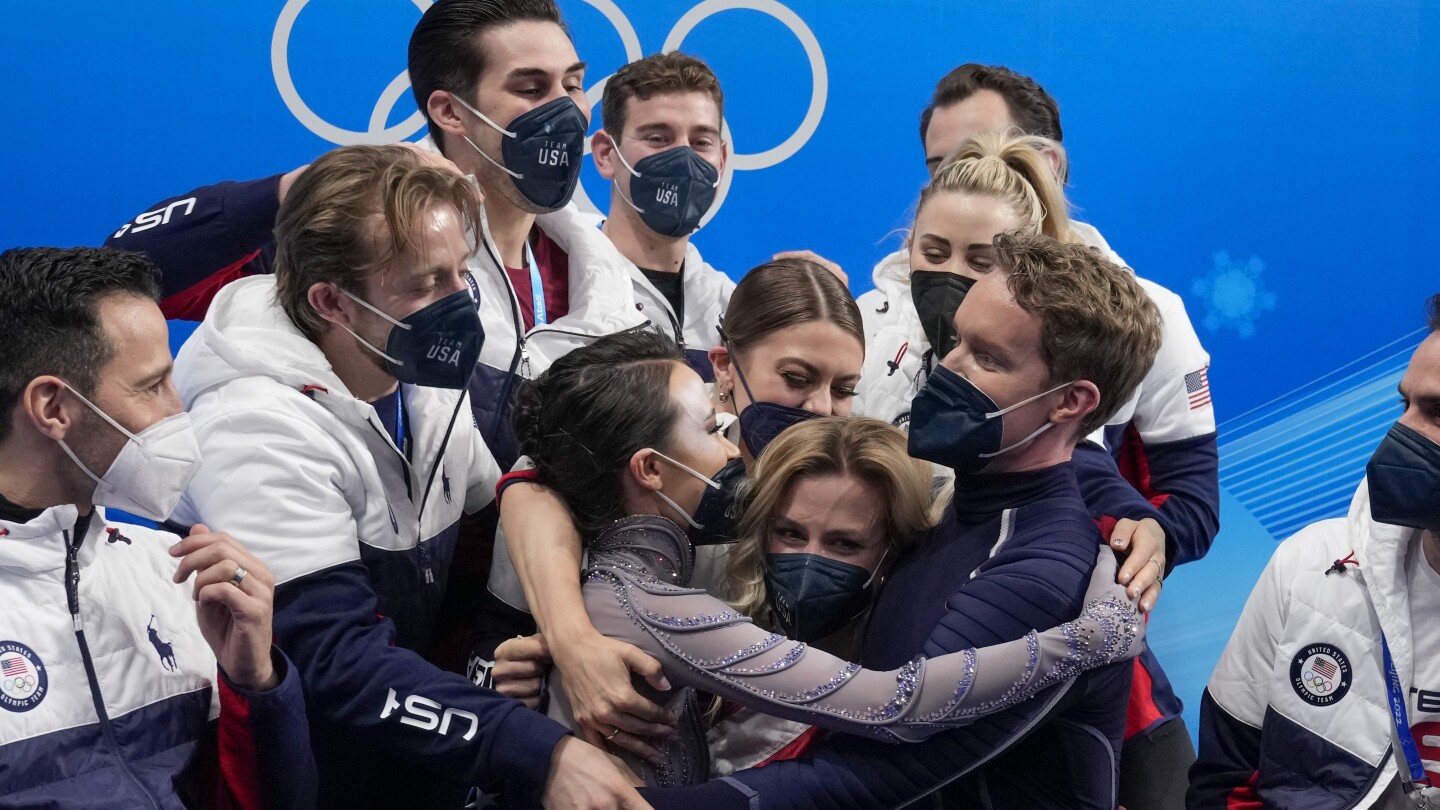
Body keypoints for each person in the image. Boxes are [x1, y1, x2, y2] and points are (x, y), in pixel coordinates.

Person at [167, 144, 646, 809]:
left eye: (460, 273)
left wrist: (519, 644)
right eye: (426, 285)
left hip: (407, 757)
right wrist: (540, 749)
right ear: (331, 300)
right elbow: (338, 665)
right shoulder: (253, 422)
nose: (461, 304)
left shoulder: (418, 366)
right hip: (301, 772)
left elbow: (505, 514)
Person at [642, 231, 1165, 809]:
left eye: (987, 358)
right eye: (957, 341)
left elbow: (864, 775)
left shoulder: (1041, 572)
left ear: (1071, 403)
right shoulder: (943, 506)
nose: (950, 368)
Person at [508, 329, 1143, 788]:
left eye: (845, 544)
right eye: (712, 429)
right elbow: (895, 703)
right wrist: (1087, 640)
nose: (735, 451)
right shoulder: (645, 603)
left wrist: (1131, 514)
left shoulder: (623, 585)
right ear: (648, 469)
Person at [859, 63, 1220, 805]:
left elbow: (1113, 477)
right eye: (942, 166)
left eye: (982, 260)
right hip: (896, 651)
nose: (951, 274)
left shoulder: (1139, 320)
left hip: (1070, 667)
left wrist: (1134, 535)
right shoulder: (864, 325)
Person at [103, 0, 643, 470]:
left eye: (572, 84)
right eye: (531, 88)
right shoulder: (357, 242)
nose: (566, 111)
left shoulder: (601, 273)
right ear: (450, 111)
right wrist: (306, 184)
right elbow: (126, 272)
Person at [0, 247, 314, 807]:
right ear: (53, 407)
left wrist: (255, 681)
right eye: (152, 386)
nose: (178, 410)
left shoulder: (173, 569)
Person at [1188, 295, 1440, 808]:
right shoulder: (1311, 564)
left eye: (1437, 412)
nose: (1399, 435)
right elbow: (1227, 781)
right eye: (1404, 405)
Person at [588, 51, 735, 380]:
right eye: (658, 138)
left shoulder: (736, 311)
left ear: (721, 161)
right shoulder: (569, 287)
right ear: (605, 154)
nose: (683, 158)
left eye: (700, 141)